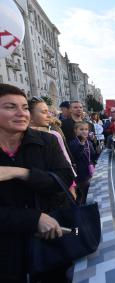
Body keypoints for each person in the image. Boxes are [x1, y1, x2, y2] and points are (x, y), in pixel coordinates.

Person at [0, 84, 74, 282]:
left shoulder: (47, 141)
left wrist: (21, 173)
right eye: (10, 107)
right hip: (7, 255)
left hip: (51, 244)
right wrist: (34, 220)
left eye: (24, 107)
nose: (21, 113)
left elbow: (64, 180)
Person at [28, 96, 77, 199]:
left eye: (48, 111)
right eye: (44, 112)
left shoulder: (53, 135)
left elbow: (66, 163)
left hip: (57, 192)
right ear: (30, 115)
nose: (49, 115)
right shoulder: (20, 138)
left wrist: (72, 188)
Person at [69, 121, 95, 205]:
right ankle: (82, 208)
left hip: (89, 171)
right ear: (75, 131)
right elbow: (76, 155)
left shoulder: (89, 143)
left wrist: (98, 151)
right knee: (84, 195)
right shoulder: (73, 143)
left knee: (89, 192)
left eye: (86, 129)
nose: (84, 131)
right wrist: (82, 144)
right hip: (80, 173)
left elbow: (93, 156)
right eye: (81, 129)